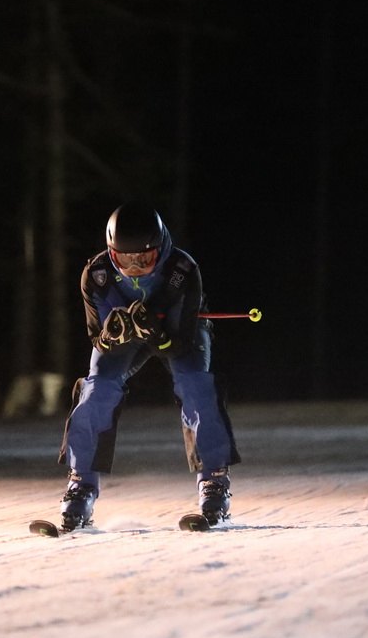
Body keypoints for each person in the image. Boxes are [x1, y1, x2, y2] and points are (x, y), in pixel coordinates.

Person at [56, 202, 240, 530]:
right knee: (97, 389)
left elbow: (180, 344)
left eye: (144, 259)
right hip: (128, 335)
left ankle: (214, 481)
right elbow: (97, 337)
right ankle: (81, 483)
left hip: (175, 331)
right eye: (124, 260)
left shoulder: (182, 269)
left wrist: (157, 335)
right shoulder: (96, 275)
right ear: (111, 253)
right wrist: (111, 337)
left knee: (195, 384)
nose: (135, 267)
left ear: (161, 248)